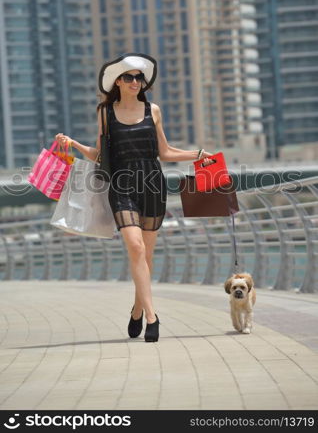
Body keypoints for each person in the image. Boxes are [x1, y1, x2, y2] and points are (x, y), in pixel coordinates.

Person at [55, 52, 213, 343]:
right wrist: (75, 144)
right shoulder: (105, 111)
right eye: (128, 77)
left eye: (139, 77)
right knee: (135, 246)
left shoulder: (153, 110)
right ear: (117, 81)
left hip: (153, 184)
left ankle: (138, 308)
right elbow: (101, 154)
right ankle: (153, 317)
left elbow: (164, 152)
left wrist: (199, 155)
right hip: (122, 185)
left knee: (147, 254)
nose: (135, 81)